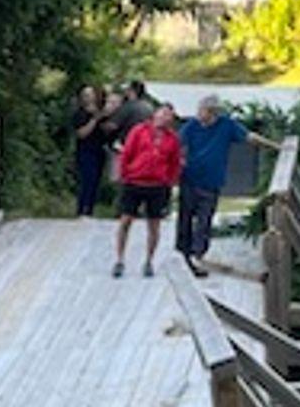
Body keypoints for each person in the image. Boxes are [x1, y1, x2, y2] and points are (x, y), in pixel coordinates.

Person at [176, 93, 279, 275]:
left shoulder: (226, 125)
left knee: (204, 220)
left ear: (212, 112)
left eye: (202, 110)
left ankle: (197, 254)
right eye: (199, 110)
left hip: (212, 181)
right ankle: (183, 255)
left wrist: (275, 147)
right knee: (185, 218)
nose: (199, 114)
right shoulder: (191, 126)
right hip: (190, 179)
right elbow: (177, 144)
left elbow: (250, 137)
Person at [113, 102, 182, 278]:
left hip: (157, 185)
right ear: (155, 114)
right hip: (134, 181)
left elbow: (174, 162)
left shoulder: (172, 139)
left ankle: (149, 260)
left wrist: (170, 181)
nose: (164, 118)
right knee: (126, 220)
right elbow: (127, 153)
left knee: (154, 224)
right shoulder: (139, 131)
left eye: (169, 116)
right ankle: (120, 259)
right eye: (162, 113)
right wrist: (125, 174)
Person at [70, 85, 110, 216]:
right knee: (87, 179)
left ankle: (90, 209)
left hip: (99, 150)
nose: (88, 98)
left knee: (96, 181)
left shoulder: (101, 112)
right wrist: (94, 121)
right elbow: (81, 133)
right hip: (85, 151)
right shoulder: (79, 114)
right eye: (85, 95)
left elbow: (107, 131)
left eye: (90, 94)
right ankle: (82, 209)